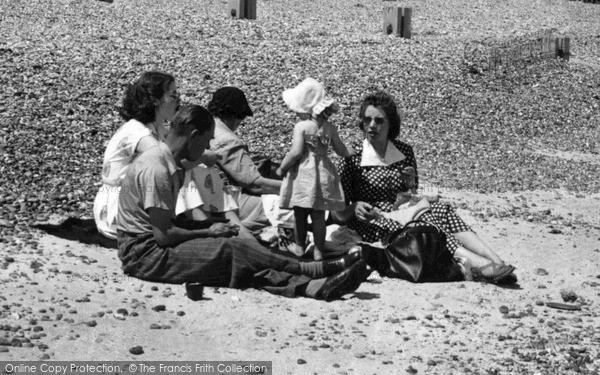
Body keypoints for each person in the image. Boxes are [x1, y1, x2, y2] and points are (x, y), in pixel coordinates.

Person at [115, 104, 369, 301]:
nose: (208, 147)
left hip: (150, 244)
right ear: (193, 136)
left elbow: (169, 221)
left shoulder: (168, 160)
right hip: (144, 255)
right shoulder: (157, 169)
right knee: (231, 251)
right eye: (207, 140)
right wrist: (208, 230)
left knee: (235, 247)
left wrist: (213, 226)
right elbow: (163, 235)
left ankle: (312, 281)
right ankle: (311, 273)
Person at [335, 91, 516, 284]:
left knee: (443, 210)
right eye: (367, 119)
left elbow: (411, 194)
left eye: (379, 121)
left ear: (390, 123)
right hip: (373, 219)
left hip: (402, 210)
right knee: (426, 217)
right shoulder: (353, 156)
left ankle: (495, 259)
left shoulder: (403, 151)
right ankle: (478, 264)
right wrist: (355, 207)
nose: (372, 126)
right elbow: (338, 212)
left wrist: (410, 183)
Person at [93, 71, 180, 240]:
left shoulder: (157, 128)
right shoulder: (137, 132)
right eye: (173, 95)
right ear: (155, 100)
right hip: (117, 208)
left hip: (130, 199)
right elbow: (163, 157)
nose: (178, 100)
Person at [276, 78, 353, 261]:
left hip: (304, 173)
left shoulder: (302, 126)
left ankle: (300, 247)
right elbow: (341, 150)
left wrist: (281, 168)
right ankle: (319, 251)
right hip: (323, 172)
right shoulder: (330, 128)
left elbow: (295, 153)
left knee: (300, 213)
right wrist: (354, 152)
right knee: (319, 215)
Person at [207, 87, 282, 231]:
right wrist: (294, 188)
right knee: (287, 206)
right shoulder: (227, 140)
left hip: (210, 200)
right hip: (230, 204)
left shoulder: (207, 126)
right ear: (235, 115)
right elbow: (255, 185)